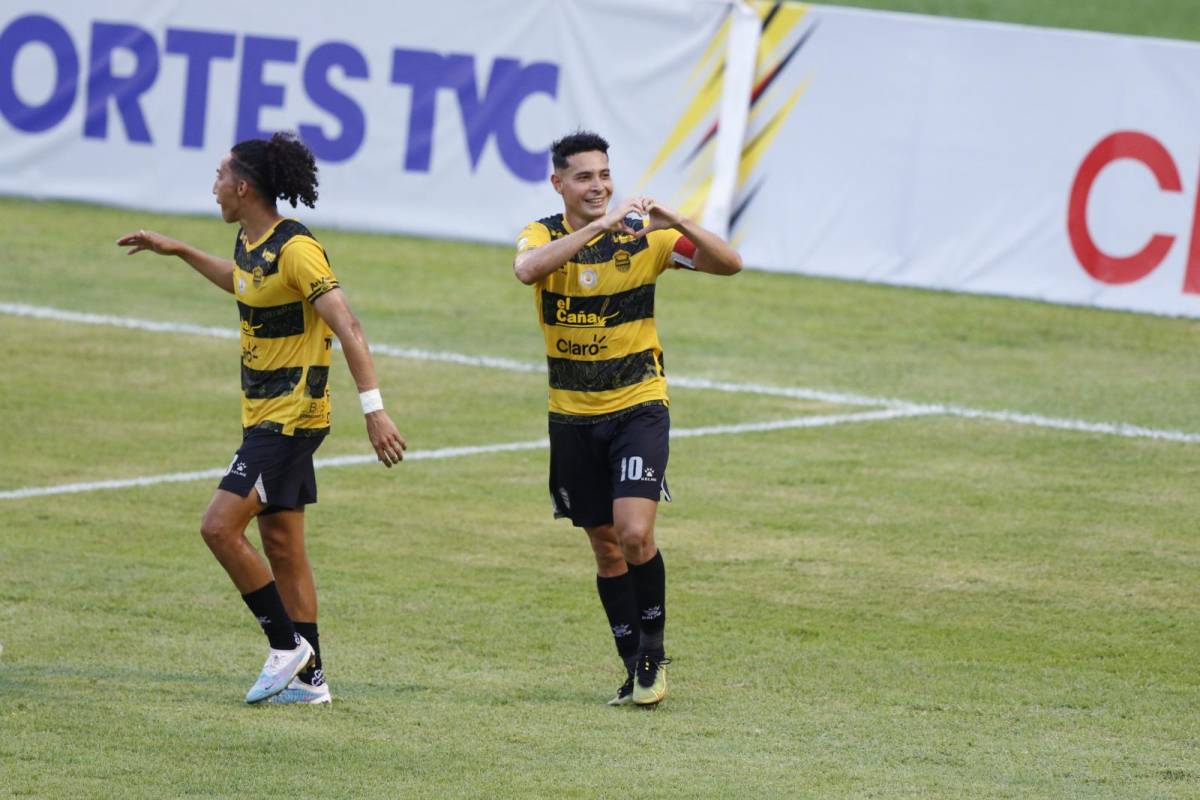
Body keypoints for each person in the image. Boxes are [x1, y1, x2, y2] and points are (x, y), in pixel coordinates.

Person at [116, 131, 406, 705]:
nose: (214, 188)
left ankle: (285, 646)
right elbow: (243, 284)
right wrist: (178, 251)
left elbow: (349, 326)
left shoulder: (297, 249)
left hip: (291, 419)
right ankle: (309, 681)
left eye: (220, 178)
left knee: (219, 526)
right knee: (282, 543)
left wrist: (374, 410)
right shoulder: (253, 245)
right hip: (265, 417)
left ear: (243, 186)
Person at [513, 131, 742, 706]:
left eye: (605, 174)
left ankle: (652, 653)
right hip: (571, 418)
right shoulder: (542, 234)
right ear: (559, 183)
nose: (599, 185)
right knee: (606, 547)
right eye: (585, 177)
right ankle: (632, 665)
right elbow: (527, 269)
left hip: (638, 406)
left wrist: (676, 219)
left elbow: (730, 264)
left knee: (635, 534)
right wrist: (600, 226)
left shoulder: (647, 240)